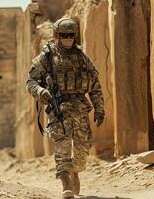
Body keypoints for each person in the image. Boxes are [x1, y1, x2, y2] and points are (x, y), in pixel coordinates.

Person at [25, 17, 105, 199]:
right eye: (64, 35)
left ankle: (75, 171)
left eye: (71, 35)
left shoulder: (82, 57)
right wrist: (40, 91)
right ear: (57, 35)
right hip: (58, 109)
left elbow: (95, 84)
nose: (68, 39)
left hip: (80, 108)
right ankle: (65, 182)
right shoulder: (46, 57)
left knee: (83, 150)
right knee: (62, 147)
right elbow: (30, 81)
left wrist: (99, 108)